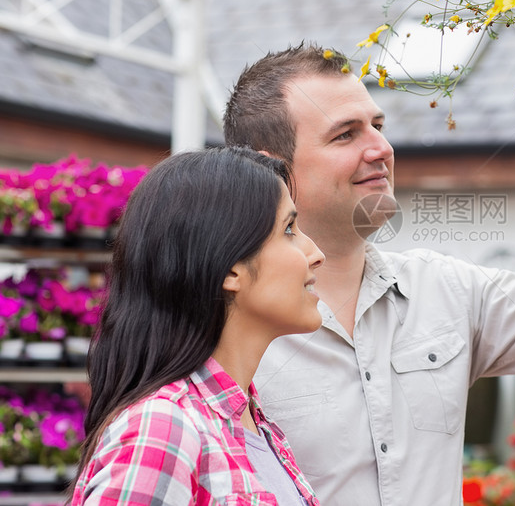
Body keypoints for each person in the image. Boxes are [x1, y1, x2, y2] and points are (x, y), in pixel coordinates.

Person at [223, 43, 515, 506]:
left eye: (378, 126)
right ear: (271, 170)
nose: (382, 148)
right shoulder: (219, 331)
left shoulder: (445, 290)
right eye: (346, 134)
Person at [71, 147, 325, 505]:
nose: (315, 253)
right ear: (229, 268)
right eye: (289, 229)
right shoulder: (165, 427)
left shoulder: (248, 422)